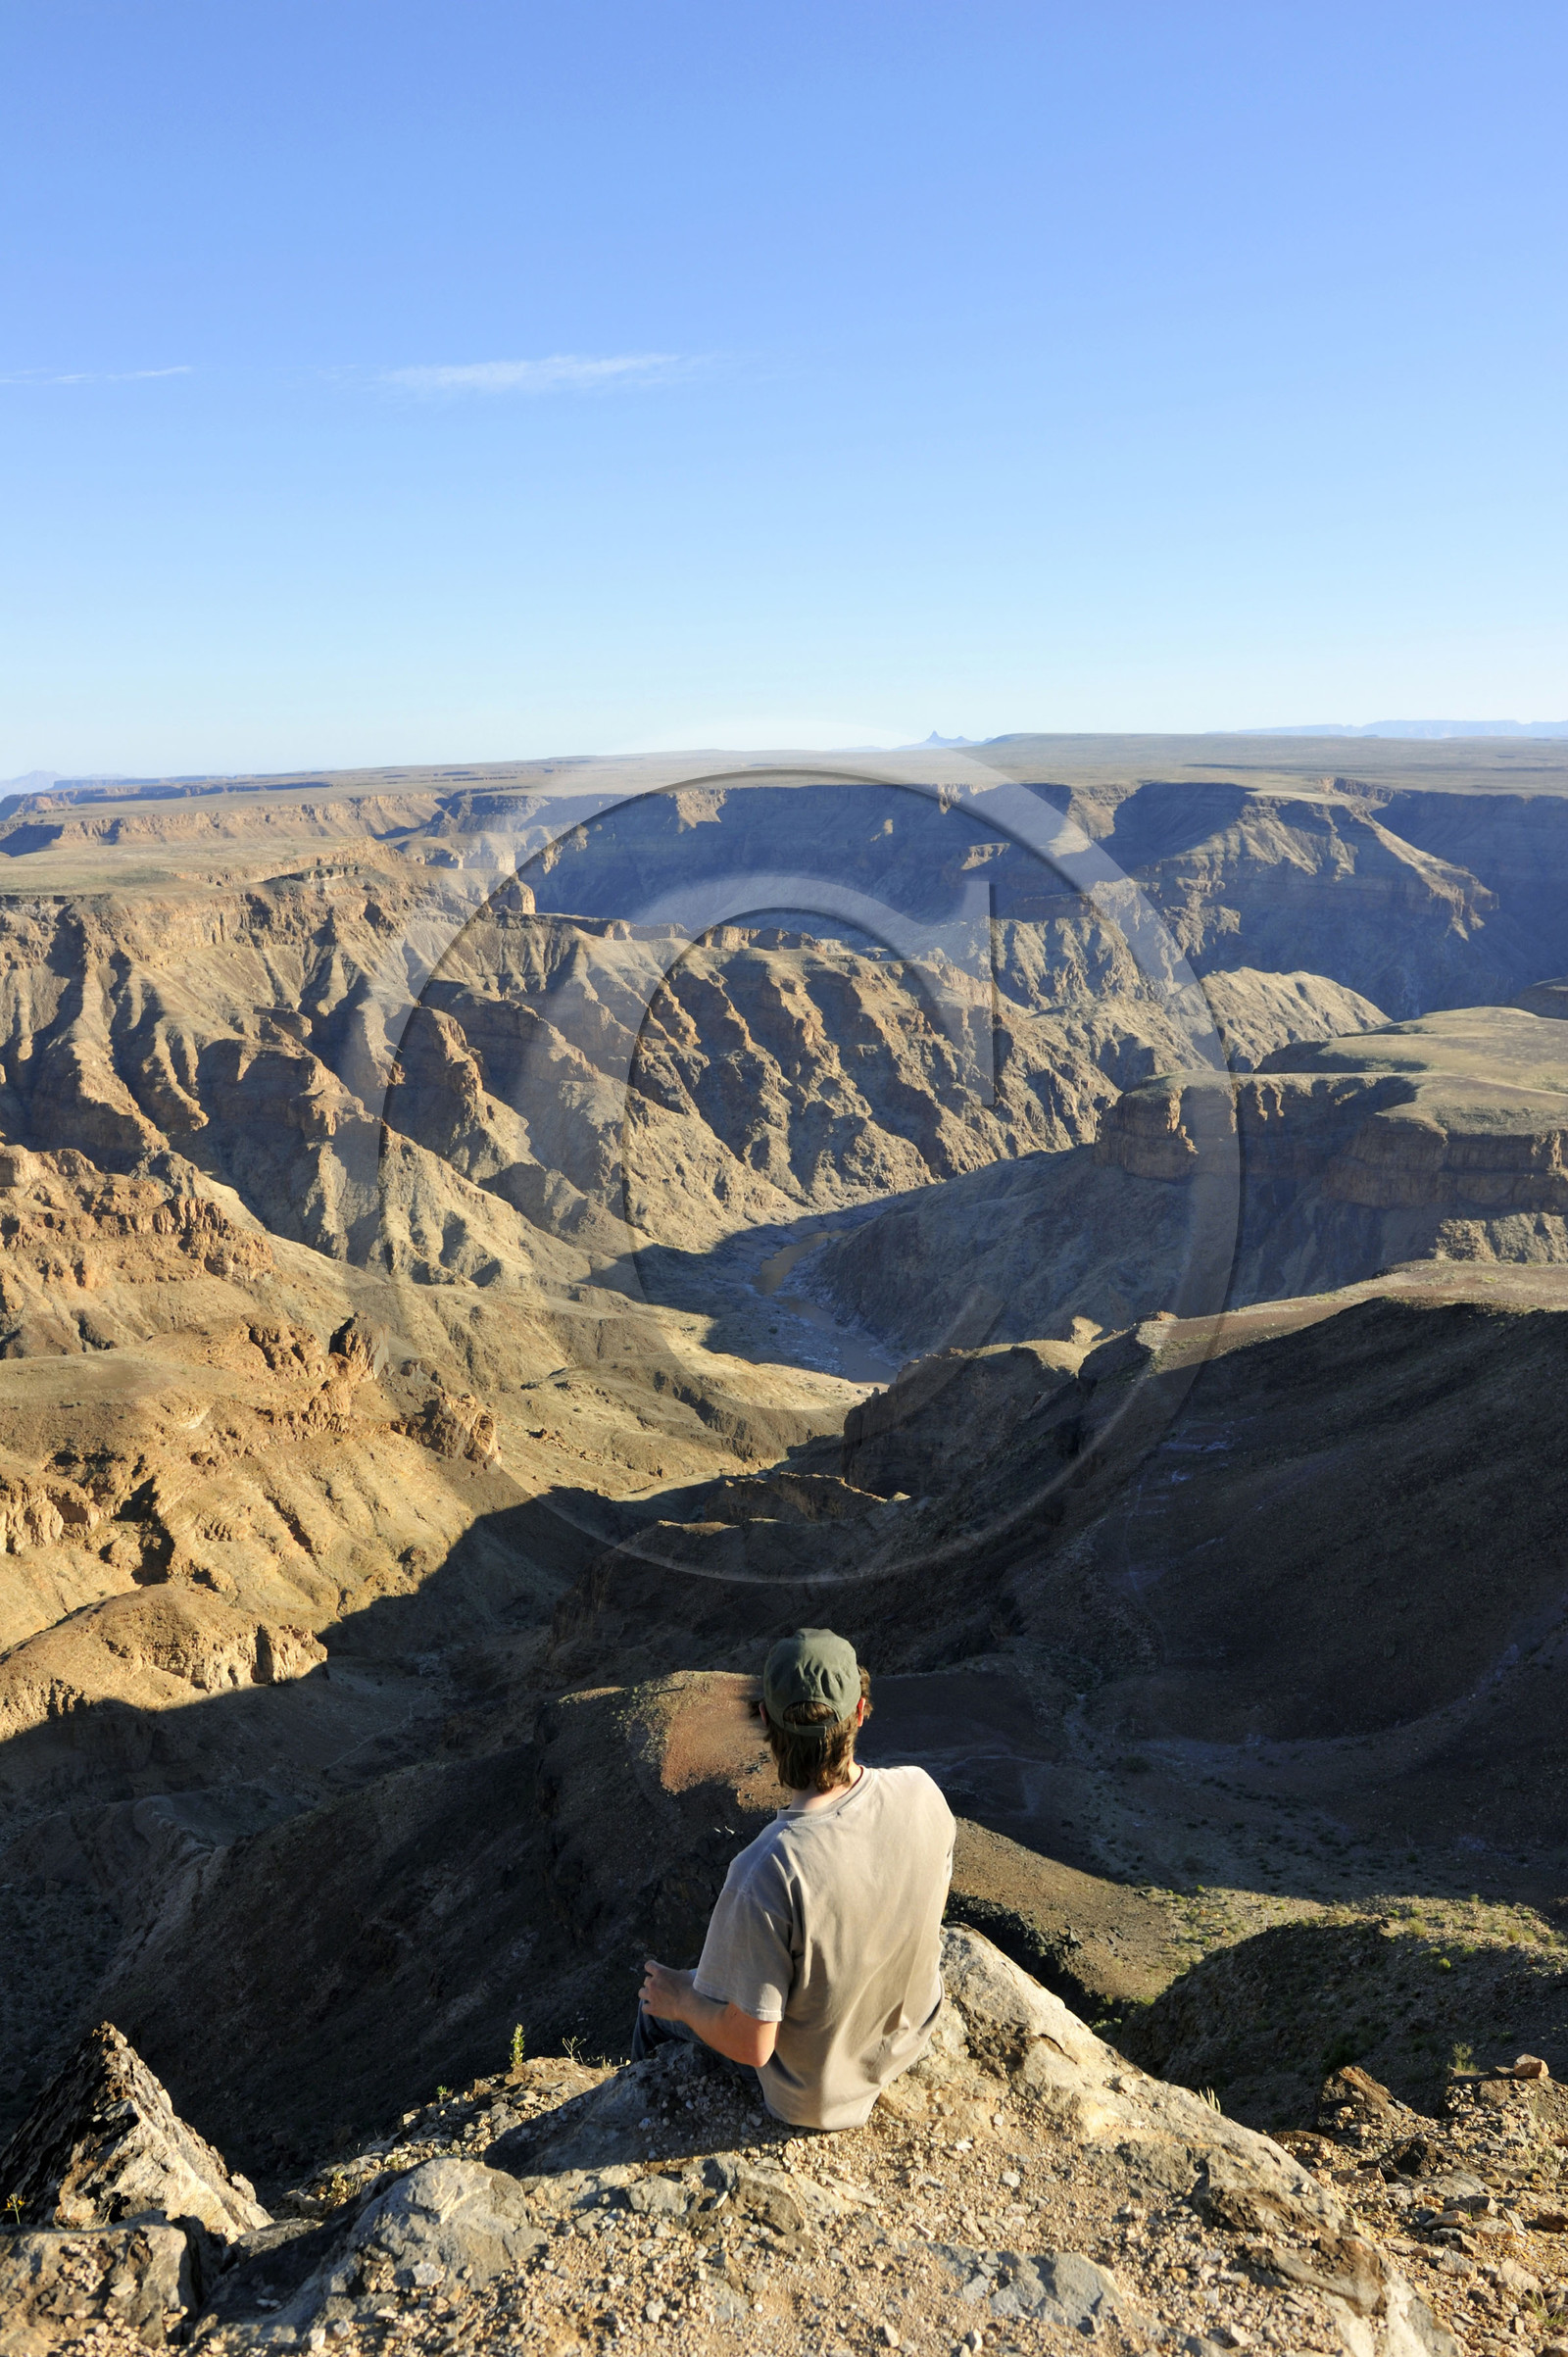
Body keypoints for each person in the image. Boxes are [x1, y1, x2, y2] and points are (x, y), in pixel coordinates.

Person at [636, 1628, 956, 2131]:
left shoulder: (766, 1871)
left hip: (818, 2097)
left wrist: (684, 2000)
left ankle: (642, 2122)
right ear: (860, 1711)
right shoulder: (922, 1792)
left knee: (656, 2007)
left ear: (765, 1720)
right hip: (910, 2037)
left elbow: (753, 2044)